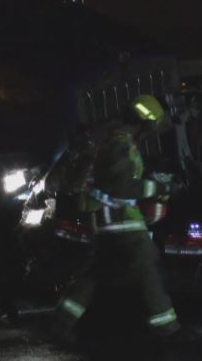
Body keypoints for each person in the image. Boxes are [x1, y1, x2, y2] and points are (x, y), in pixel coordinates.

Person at [50, 94, 190, 344]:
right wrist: (160, 189)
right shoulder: (120, 144)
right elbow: (123, 187)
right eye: (152, 126)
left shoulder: (117, 141)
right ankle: (169, 331)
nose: (151, 132)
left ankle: (60, 324)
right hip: (122, 222)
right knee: (148, 269)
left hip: (109, 221)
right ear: (143, 122)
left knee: (93, 275)